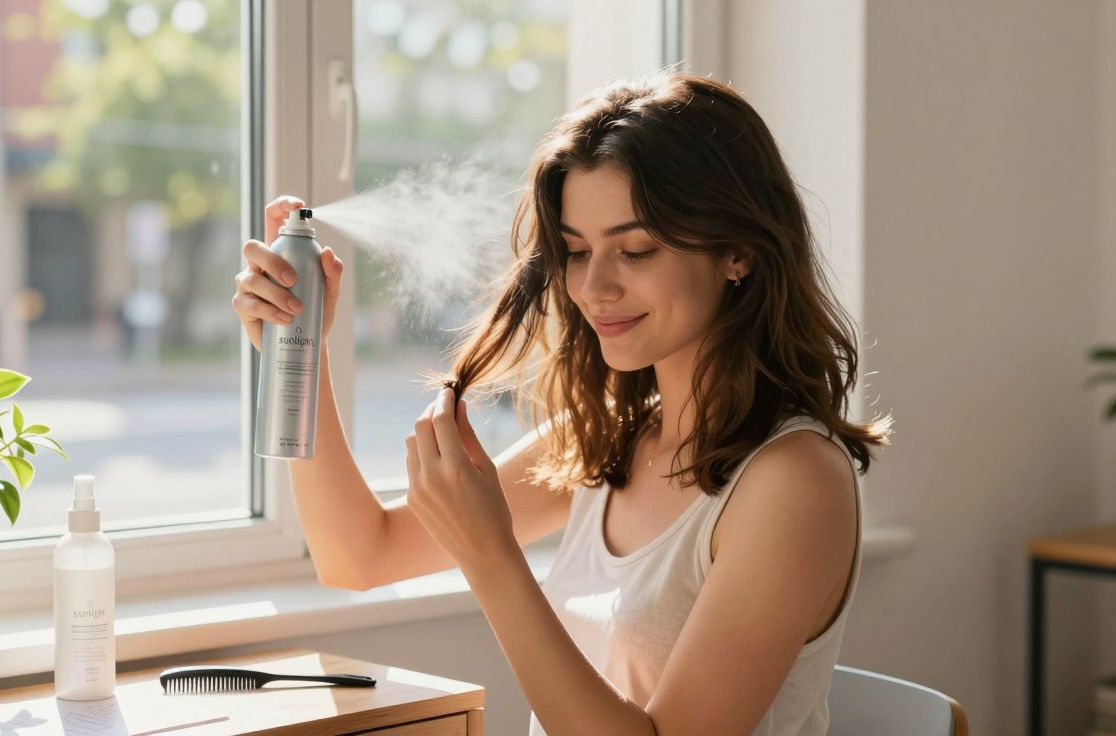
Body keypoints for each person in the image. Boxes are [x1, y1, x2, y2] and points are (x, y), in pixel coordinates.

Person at [232, 71, 892, 736]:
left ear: (739, 252)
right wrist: (298, 355)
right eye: (577, 251)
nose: (593, 286)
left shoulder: (793, 482)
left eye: (634, 250)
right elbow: (358, 556)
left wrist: (490, 554)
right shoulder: (607, 438)